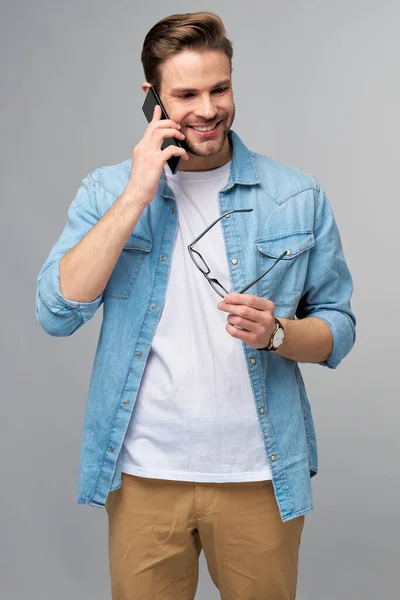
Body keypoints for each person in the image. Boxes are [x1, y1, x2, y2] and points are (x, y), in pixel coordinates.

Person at [36, 10, 356, 600]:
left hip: (260, 476)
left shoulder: (296, 194)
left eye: (220, 88)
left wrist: (279, 334)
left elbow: (339, 325)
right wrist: (139, 191)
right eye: (186, 93)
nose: (207, 109)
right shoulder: (107, 192)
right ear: (152, 96)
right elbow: (57, 311)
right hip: (144, 478)